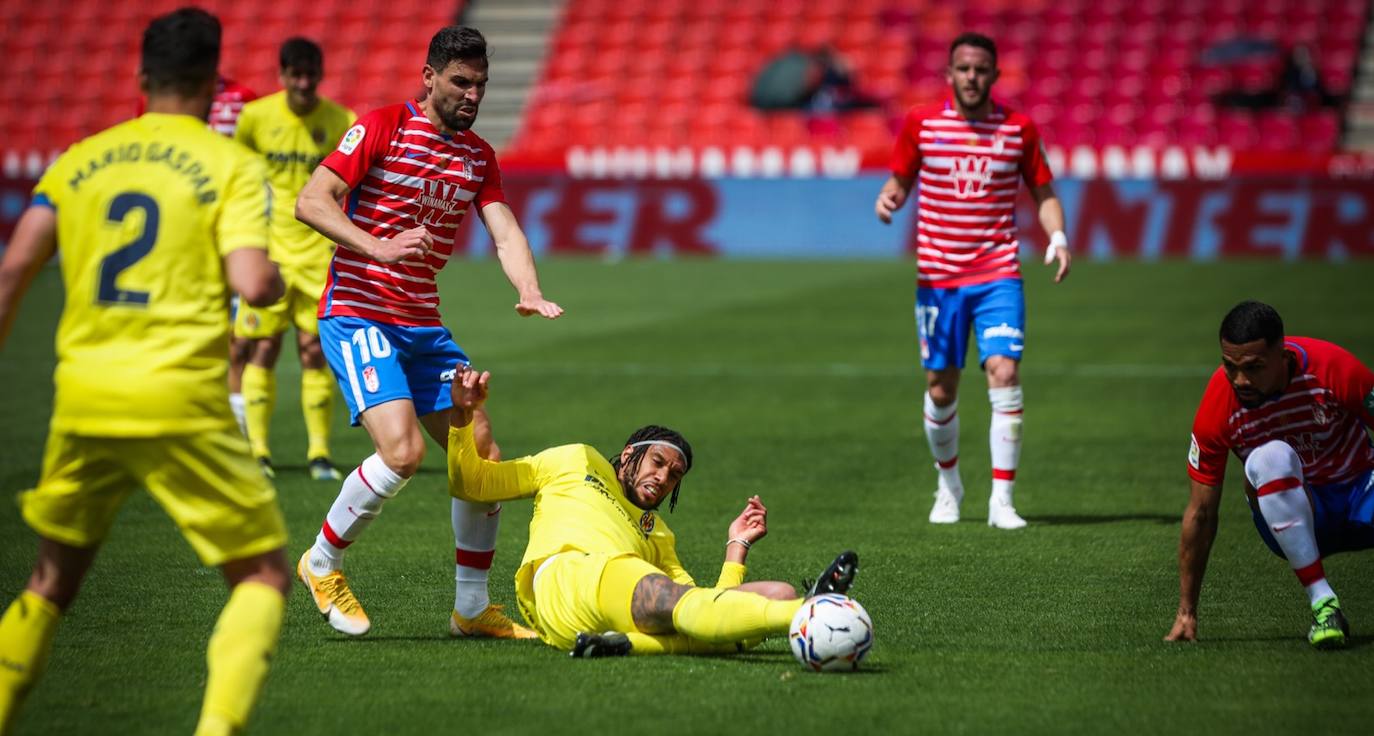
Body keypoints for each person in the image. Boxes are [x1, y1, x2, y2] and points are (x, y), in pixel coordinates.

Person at [0, 7, 291, 736]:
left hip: (84, 395)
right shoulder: (229, 164)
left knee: (49, 584)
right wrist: (268, 279)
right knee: (262, 574)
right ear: (212, 83)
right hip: (178, 398)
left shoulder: (79, 160)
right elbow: (253, 281)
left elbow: (14, 269)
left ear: (140, 77)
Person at [293, 26, 562, 639]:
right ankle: (321, 562)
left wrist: (529, 290)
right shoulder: (384, 126)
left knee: (481, 455)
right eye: (461, 82)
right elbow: (312, 200)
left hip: (422, 325)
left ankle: (471, 608)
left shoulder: (477, 156)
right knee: (403, 453)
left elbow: (504, 230)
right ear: (429, 77)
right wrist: (376, 246)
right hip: (359, 312)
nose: (473, 95)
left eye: (481, 85)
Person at [446, 368, 859, 657]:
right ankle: (808, 611)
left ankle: (628, 645)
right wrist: (462, 417)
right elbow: (472, 485)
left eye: (675, 475)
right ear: (629, 455)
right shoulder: (576, 459)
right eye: (657, 463)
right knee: (679, 604)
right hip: (567, 578)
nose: (663, 478)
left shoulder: (657, 533)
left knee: (773, 593)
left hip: (597, 615)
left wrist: (736, 549)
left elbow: (709, 604)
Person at [875, 32, 1071, 530]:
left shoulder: (1018, 130)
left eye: (981, 70)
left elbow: (1044, 191)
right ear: (949, 74)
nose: (972, 77)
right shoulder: (921, 124)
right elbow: (899, 180)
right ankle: (949, 485)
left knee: (1004, 372)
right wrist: (889, 197)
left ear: (995, 76)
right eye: (963, 69)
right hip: (938, 277)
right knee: (941, 388)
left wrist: (1058, 237)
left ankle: (1002, 499)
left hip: (997, 273)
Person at [1166, 301, 1374, 649]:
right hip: (1297, 517)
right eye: (1230, 366)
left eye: (1253, 367)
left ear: (1282, 354)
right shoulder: (1219, 403)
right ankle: (1324, 606)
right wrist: (1187, 611)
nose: (1240, 380)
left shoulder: (1332, 367)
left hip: (1361, 493)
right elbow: (1201, 513)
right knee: (1270, 458)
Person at [231, 38, 355, 481]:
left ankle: (319, 454)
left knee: (313, 350)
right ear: (282, 75)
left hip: (319, 253)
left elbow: (352, 183)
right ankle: (259, 452)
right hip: (270, 251)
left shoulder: (342, 121)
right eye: (295, 74)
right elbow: (238, 175)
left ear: (320, 74)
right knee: (263, 346)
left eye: (310, 74)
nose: (303, 83)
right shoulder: (254, 119)